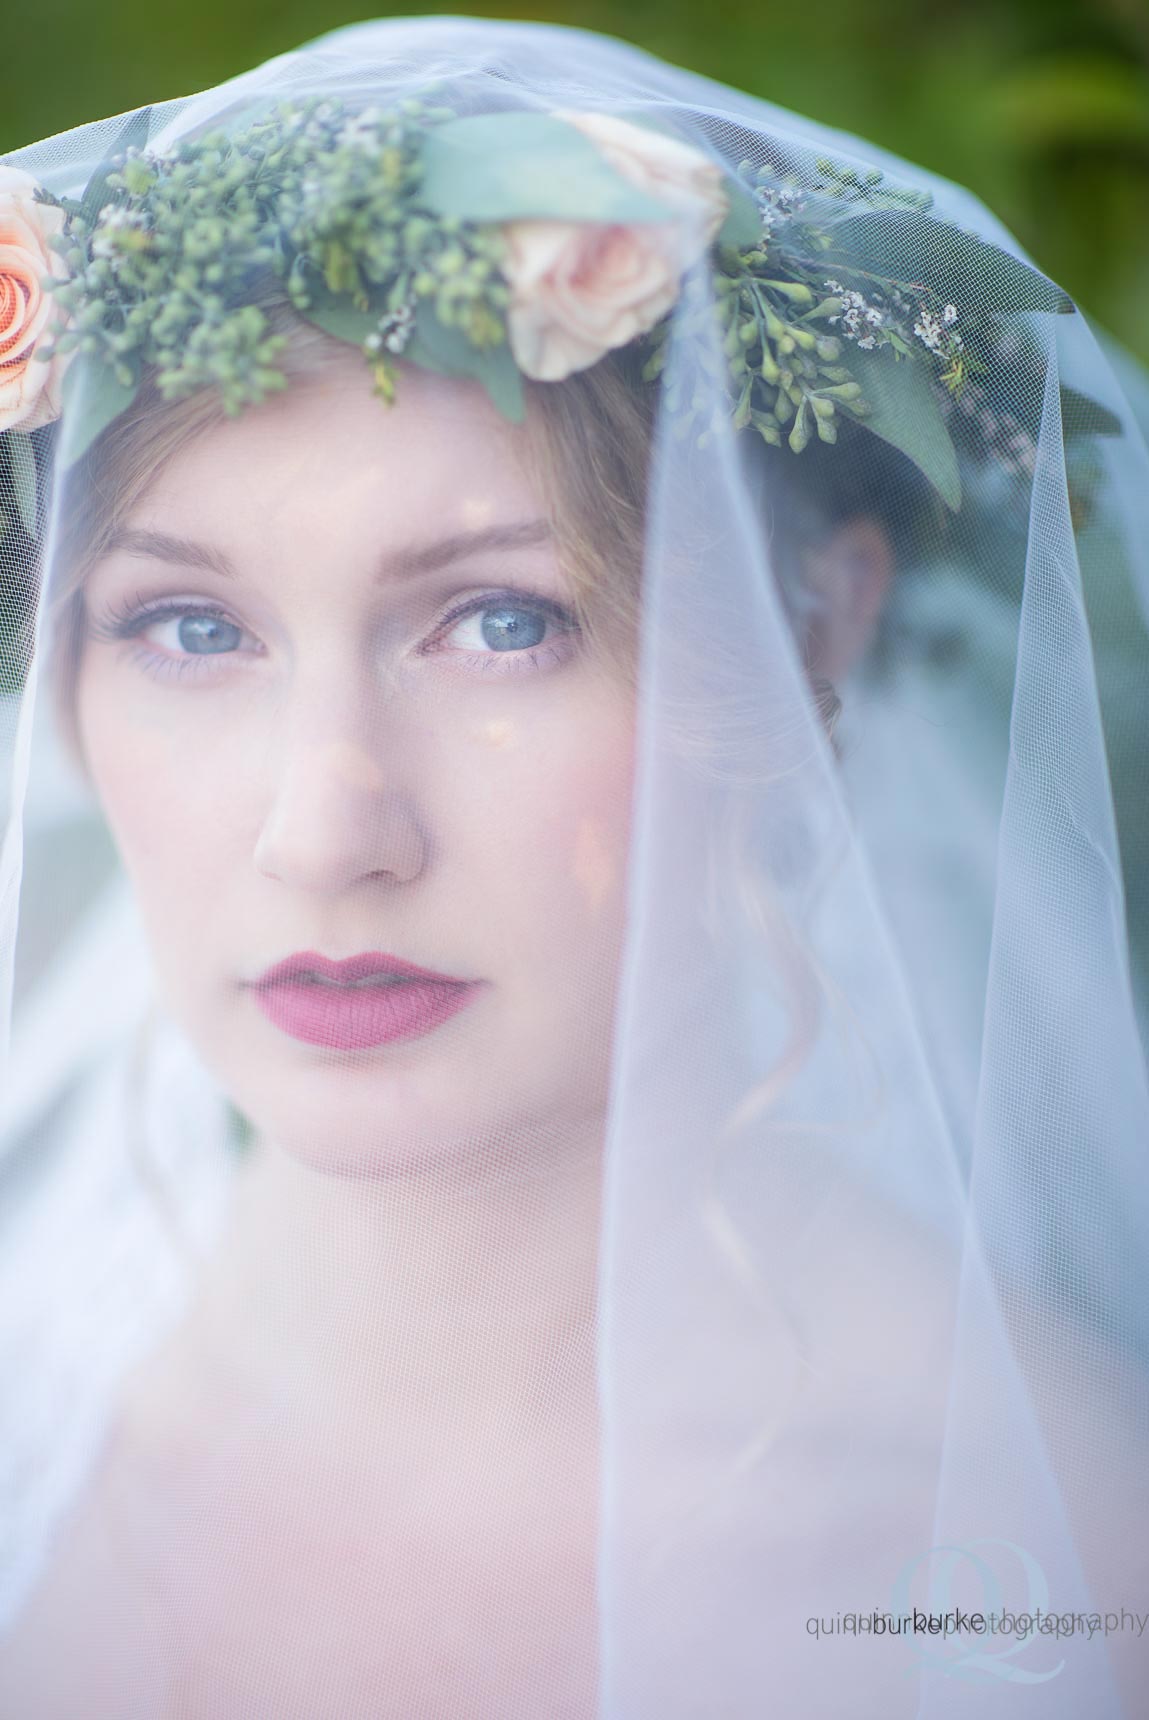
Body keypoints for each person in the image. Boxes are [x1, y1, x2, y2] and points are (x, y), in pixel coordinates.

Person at [0, 16, 1147, 1716]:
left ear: (806, 627)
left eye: (499, 621)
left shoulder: (1040, 1560)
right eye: (189, 624)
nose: (326, 834)